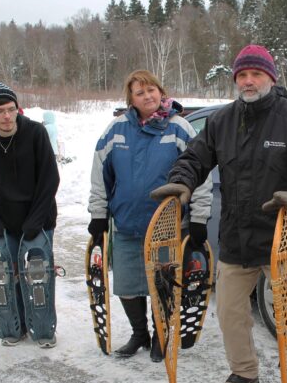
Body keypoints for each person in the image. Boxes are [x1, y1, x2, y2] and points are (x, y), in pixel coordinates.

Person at [151, 45, 287, 383]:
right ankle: (244, 372)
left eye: (255, 74)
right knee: (230, 312)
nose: (248, 81)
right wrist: (181, 181)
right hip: (237, 237)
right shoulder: (222, 121)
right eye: (241, 75)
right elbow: (194, 157)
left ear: (271, 77)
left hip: (283, 236)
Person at [88, 70, 212, 362]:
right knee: (128, 287)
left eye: (152, 90)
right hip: (127, 224)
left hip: (167, 227)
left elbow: (201, 175)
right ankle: (139, 333)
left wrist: (198, 218)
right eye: (140, 92)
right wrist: (98, 214)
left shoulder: (179, 128)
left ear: (161, 91)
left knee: (164, 285)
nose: (148, 96)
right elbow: (99, 175)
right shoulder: (115, 130)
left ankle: (160, 333)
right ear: (130, 98)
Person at [0, 82, 60, 347]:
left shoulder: (35, 132)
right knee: (10, 275)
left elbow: (50, 178)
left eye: (11, 109)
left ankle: (42, 326)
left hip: (39, 217)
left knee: (38, 274)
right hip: (5, 218)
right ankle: (16, 324)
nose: (7, 116)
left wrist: (36, 219)